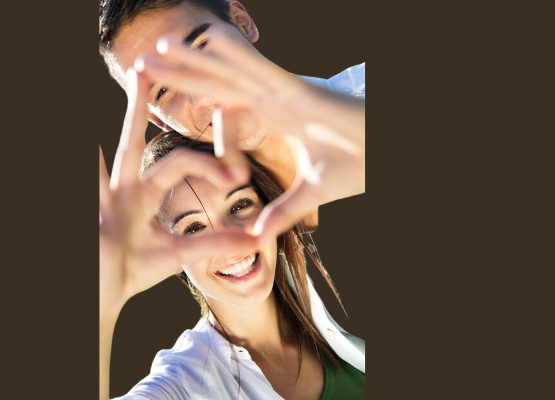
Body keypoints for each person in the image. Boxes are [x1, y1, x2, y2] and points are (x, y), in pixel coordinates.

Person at [100, 68, 365, 400]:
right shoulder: (182, 384)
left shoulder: (345, 295)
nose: (230, 240)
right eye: (193, 228)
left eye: (240, 205)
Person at [98, 0, 366, 231]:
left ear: (242, 22)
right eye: (163, 90)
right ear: (158, 119)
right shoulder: (205, 236)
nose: (203, 96)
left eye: (200, 48)